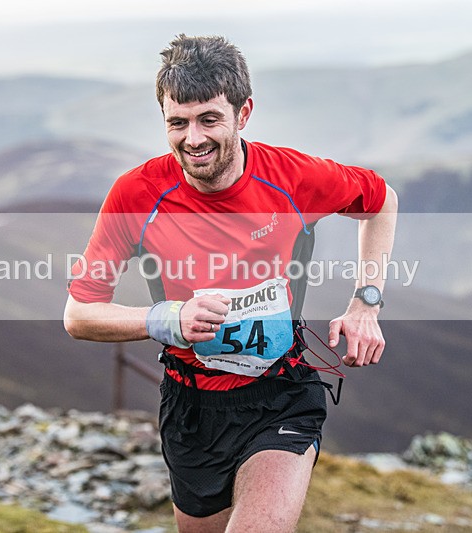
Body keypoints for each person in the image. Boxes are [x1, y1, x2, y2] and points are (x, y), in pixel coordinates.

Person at [64, 34, 398, 533]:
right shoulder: (138, 194)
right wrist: (169, 319)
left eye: (209, 120)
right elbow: (79, 315)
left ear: (244, 114)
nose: (192, 139)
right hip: (191, 405)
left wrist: (365, 302)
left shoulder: (291, 177)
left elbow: (381, 200)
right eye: (177, 123)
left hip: (281, 395)